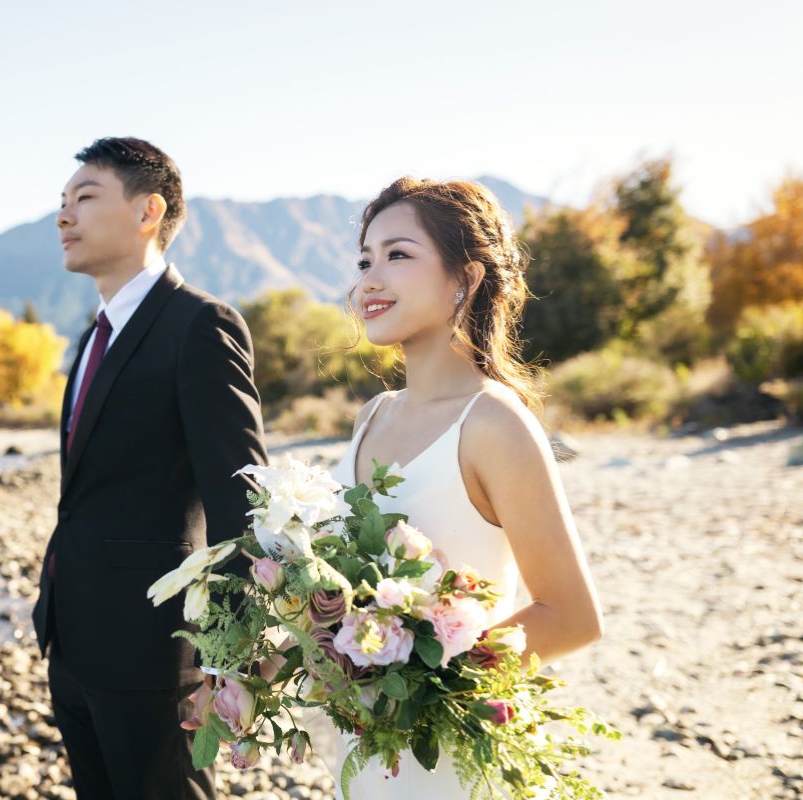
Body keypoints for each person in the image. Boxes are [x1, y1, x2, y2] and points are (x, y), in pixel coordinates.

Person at [314, 177, 603, 797]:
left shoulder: (493, 423)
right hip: (364, 748)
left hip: (446, 757)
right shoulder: (373, 415)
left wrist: (424, 686)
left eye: (397, 255)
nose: (369, 279)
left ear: (464, 279)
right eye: (364, 259)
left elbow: (572, 616)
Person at [31, 136, 269, 799]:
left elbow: (240, 499)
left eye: (85, 197)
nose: (63, 216)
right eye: (61, 201)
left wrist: (230, 658)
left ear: (148, 211)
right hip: (74, 640)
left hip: (154, 651)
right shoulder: (90, 338)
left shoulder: (199, 325)